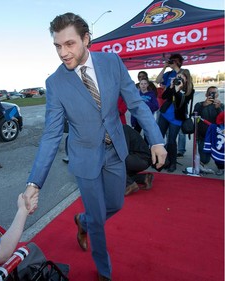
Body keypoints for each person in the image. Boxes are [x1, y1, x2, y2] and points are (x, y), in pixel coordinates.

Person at [22, 13, 166, 281]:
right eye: (57, 46)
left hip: (115, 152)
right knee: (100, 219)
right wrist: (34, 183)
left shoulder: (112, 63)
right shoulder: (55, 83)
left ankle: (83, 221)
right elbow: (52, 135)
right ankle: (104, 271)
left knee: (115, 204)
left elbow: (135, 103)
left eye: (69, 44)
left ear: (86, 39)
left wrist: (156, 139)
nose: (63, 53)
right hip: (84, 158)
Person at [158, 69, 194, 173]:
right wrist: (171, 87)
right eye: (178, 76)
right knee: (160, 137)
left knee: (171, 140)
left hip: (177, 118)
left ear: (186, 79)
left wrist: (178, 90)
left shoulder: (190, 90)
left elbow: (181, 103)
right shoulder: (173, 85)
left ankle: (172, 163)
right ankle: (163, 160)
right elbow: (164, 96)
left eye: (181, 77)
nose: (179, 79)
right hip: (165, 114)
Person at [155, 53, 187, 157]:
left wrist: (176, 67)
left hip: (177, 111)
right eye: (171, 60)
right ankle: (160, 157)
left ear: (179, 62)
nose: (172, 62)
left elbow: (186, 87)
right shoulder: (168, 74)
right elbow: (157, 81)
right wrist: (164, 67)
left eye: (174, 60)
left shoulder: (184, 73)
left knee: (172, 139)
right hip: (166, 110)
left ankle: (171, 161)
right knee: (160, 136)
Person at [194, 86, 224, 174]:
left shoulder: (221, 105)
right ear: (206, 94)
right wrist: (203, 106)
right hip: (203, 134)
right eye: (210, 92)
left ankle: (221, 168)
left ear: (217, 94)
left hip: (217, 135)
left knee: (218, 153)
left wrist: (218, 108)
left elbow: (223, 119)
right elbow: (194, 115)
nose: (212, 94)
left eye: (214, 93)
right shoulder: (199, 104)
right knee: (204, 158)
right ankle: (202, 165)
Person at [123, 124, 154, 196]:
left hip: (141, 159)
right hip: (141, 158)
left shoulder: (123, 129)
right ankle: (144, 178)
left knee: (112, 162)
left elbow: (123, 151)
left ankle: (129, 184)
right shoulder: (123, 128)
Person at [204, 111, 224, 176]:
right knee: (218, 157)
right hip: (220, 140)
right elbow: (219, 119)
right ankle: (221, 168)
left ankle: (221, 168)